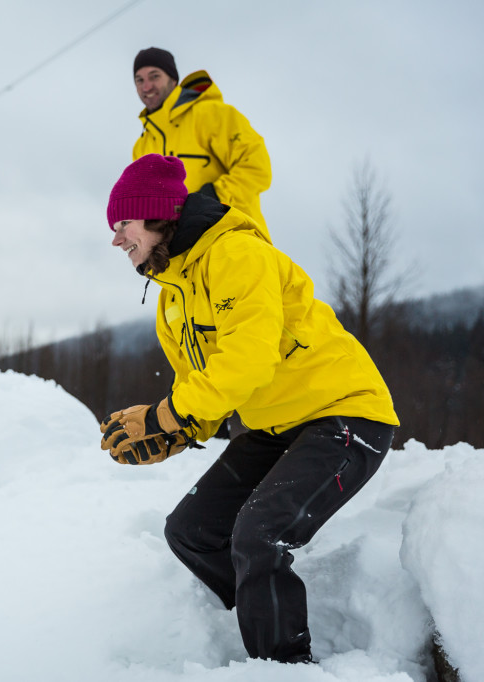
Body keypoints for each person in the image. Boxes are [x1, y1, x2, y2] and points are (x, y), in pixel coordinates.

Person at [99, 154, 399, 664]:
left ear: (155, 215)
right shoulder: (174, 295)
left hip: (344, 416)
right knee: (191, 531)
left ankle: (284, 669)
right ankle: (258, 618)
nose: (116, 239)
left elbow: (246, 360)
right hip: (276, 425)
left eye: (123, 223)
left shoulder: (236, 253)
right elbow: (204, 383)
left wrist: (164, 415)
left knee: (259, 534)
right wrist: (181, 429)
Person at [131, 47, 272, 241]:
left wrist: (212, 197)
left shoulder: (212, 115)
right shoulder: (142, 148)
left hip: (237, 242)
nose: (146, 87)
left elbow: (256, 167)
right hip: (184, 261)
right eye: (140, 80)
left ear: (173, 80)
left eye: (154, 76)